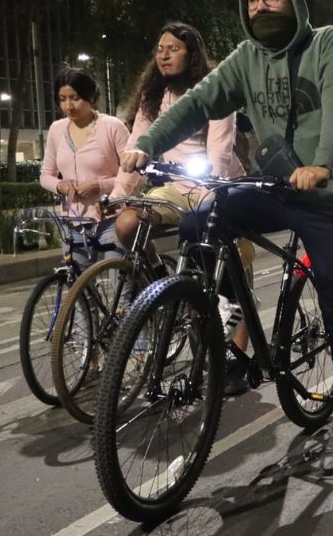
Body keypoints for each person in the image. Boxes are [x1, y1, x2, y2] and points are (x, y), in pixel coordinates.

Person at [120, 0, 333, 461]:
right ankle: (228, 308)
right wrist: (147, 143)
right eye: (253, 0)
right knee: (199, 219)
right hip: (279, 186)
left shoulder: (327, 42)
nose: (261, 7)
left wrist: (323, 163)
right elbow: (197, 103)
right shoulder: (246, 58)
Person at [111, 21, 250, 393]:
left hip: (219, 187)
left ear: (192, 54)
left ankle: (237, 360)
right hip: (175, 188)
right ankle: (162, 284)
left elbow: (220, 150)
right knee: (127, 224)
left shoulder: (214, 89)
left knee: (227, 278)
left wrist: (211, 190)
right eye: (160, 49)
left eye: (173, 48)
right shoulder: (152, 95)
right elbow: (138, 144)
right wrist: (121, 193)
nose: (164, 55)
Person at [40, 67, 128, 266]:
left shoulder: (112, 126)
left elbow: (135, 174)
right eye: (62, 99)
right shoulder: (56, 130)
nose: (68, 106)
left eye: (75, 98)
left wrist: (100, 185)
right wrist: (60, 185)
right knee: (78, 282)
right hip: (73, 221)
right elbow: (46, 174)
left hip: (111, 217)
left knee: (118, 278)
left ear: (90, 96)